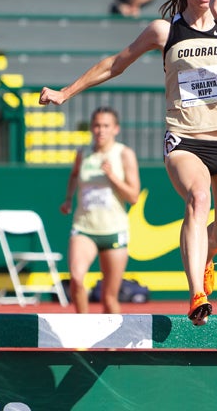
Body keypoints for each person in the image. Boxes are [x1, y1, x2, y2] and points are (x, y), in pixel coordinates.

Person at [39, 0, 217, 325]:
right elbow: (115, 64)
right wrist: (65, 92)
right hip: (186, 142)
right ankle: (196, 294)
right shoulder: (165, 30)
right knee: (197, 197)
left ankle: (207, 253)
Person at [60, 107, 140, 314]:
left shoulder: (124, 154)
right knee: (77, 278)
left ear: (115, 129)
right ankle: (84, 334)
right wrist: (68, 199)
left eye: (106, 126)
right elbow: (74, 175)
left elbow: (133, 197)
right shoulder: (83, 154)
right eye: (96, 125)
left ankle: (111, 346)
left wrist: (112, 177)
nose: (100, 130)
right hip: (84, 228)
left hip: (114, 230)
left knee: (109, 296)